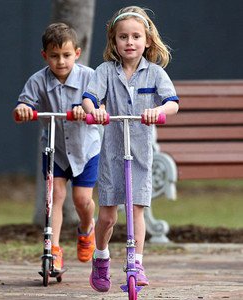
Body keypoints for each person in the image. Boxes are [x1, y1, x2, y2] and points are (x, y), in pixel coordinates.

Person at [82, 6, 179, 292]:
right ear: (114, 42)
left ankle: (136, 262)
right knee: (109, 216)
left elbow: (172, 103)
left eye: (136, 36)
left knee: (137, 209)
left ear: (147, 41)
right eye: (123, 37)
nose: (130, 42)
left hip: (140, 152)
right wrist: (96, 110)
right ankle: (101, 257)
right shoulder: (104, 72)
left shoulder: (155, 73)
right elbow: (89, 98)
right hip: (112, 153)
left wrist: (158, 110)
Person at [14, 23, 100, 271]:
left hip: (85, 149)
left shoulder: (89, 77)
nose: (60, 61)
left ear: (77, 53)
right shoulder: (38, 81)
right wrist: (23, 109)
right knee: (55, 197)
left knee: (82, 199)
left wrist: (88, 111)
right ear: (44, 56)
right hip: (55, 150)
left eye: (66, 55)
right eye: (54, 56)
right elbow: (23, 106)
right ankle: (53, 250)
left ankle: (86, 229)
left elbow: (102, 107)